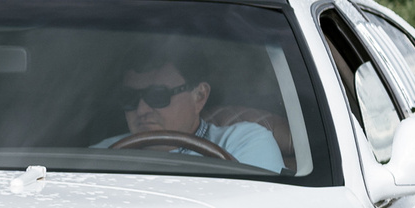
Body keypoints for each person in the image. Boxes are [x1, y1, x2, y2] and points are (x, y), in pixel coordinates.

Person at [95, 55, 283, 171]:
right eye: (129, 98)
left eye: (158, 96)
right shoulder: (103, 154)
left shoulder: (243, 143)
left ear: (199, 96)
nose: (141, 110)